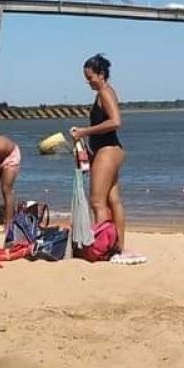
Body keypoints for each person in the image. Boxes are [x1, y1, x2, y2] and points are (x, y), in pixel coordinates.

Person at [69, 53, 135, 263]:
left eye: (91, 78)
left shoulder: (105, 93)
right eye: (86, 79)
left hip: (108, 151)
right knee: (113, 200)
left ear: (102, 74)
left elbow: (116, 121)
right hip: (110, 150)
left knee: (97, 202)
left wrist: (84, 132)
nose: (88, 82)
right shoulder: (104, 92)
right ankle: (118, 247)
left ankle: (104, 247)